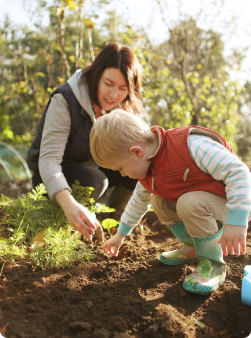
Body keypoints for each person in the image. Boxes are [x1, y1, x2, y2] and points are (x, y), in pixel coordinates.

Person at [90, 109, 251, 295]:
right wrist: (120, 235)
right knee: (158, 200)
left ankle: (212, 263)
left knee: (188, 202)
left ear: (136, 152)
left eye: (120, 168)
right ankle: (193, 247)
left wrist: (236, 221)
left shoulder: (191, 145)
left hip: (234, 203)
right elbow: (138, 203)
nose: (123, 174)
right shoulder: (148, 171)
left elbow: (238, 173)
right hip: (206, 204)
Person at [27, 43, 143, 240]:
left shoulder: (121, 107)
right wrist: (69, 204)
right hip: (52, 175)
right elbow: (48, 161)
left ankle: (115, 219)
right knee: (95, 180)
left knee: (137, 166)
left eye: (123, 88)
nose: (114, 95)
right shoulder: (64, 100)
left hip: (92, 167)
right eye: (108, 83)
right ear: (96, 75)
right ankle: (71, 218)